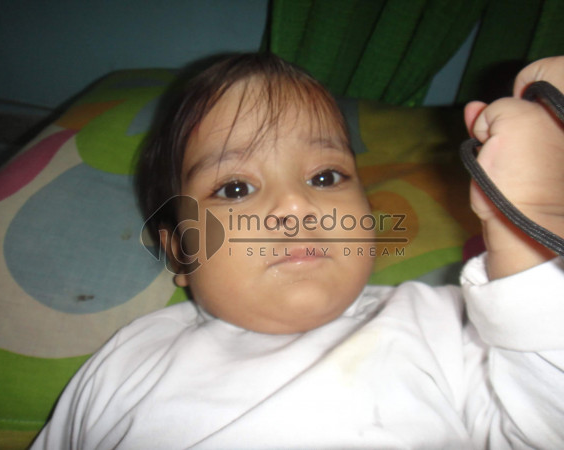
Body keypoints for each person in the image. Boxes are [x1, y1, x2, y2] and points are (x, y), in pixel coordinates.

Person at [31, 53, 564, 449]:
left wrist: (527, 244)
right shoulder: (131, 358)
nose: (295, 204)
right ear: (180, 253)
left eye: (325, 177)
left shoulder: (449, 326)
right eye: (234, 188)